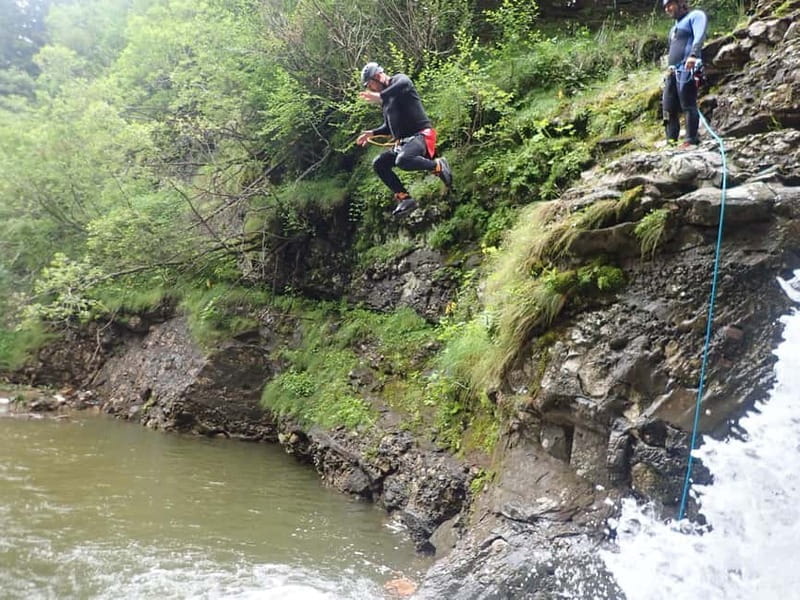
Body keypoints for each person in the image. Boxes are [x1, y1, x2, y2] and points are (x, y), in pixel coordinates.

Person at [356, 62, 452, 217]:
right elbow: (389, 127)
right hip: (404, 143)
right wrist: (371, 133)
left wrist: (381, 96)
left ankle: (438, 166)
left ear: (378, 76)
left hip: (421, 135)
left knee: (403, 160)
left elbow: (404, 84)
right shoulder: (386, 102)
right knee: (379, 163)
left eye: (371, 84)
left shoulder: (400, 81)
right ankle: (405, 198)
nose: (371, 89)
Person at [662, 0, 708, 148]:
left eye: (670, 5)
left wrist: (693, 55)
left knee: (687, 103)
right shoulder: (673, 29)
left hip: (687, 66)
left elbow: (699, 35)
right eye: (666, 7)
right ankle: (671, 142)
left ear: (681, 3)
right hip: (672, 71)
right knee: (668, 108)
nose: (668, 9)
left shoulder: (696, 16)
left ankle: (690, 139)